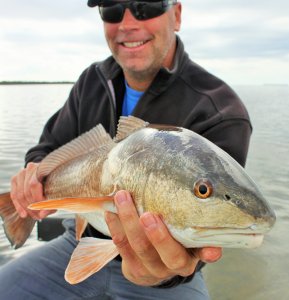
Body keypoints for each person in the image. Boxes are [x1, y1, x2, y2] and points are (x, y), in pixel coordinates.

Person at [0, 0, 252, 299]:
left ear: (177, 15)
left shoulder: (221, 111)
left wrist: (164, 274)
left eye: (146, 6)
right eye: (112, 10)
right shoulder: (91, 81)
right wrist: (33, 173)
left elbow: (200, 245)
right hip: (78, 240)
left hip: (165, 274)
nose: (128, 23)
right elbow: (48, 145)